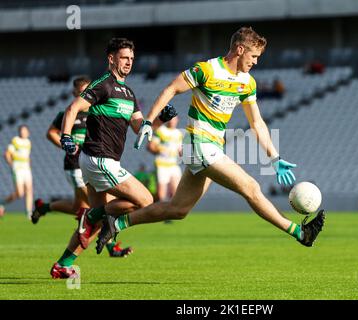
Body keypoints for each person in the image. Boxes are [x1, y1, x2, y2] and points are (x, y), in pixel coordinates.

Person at [95, 26, 325, 254]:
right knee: (251, 188)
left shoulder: (247, 82)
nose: (255, 62)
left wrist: (274, 157)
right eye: (253, 56)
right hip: (199, 144)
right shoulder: (207, 70)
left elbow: (257, 122)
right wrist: (148, 121)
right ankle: (301, 233)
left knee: (178, 210)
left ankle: (115, 224)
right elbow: (171, 88)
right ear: (239, 49)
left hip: (212, 147)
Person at [50, 38, 177, 279]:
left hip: (100, 162)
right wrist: (66, 136)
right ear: (111, 59)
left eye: (131, 58)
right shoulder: (103, 84)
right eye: (124, 58)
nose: (129, 62)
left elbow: (139, 126)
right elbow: (72, 109)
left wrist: (159, 120)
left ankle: (62, 265)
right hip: (99, 159)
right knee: (145, 200)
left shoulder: (128, 92)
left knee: (95, 225)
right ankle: (93, 215)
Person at [31, 76, 133, 259]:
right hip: (74, 165)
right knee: (98, 209)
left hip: (90, 162)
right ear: (75, 94)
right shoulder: (68, 114)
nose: (86, 96)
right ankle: (111, 248)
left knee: (78, 207)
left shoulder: (96, 111)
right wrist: (66, 144)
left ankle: (43, 207)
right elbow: (51, 133)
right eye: (81, 93)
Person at [0, 125, 33, 219]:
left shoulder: (28, 142)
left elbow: (27, 156)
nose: (23, 132)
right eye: (22, 130)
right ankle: (2, 203)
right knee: (20, 193)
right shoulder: (15, 141)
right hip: (18, 169)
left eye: (25, 130)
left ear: (28, 132)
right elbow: (7, 154)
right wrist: (12, 165)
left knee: (29, 189)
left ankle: (29, 212)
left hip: (26, 168)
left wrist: (29, 165)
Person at [147, 115, 183, 203]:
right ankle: (158, 212)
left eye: (174, 119)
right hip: (162, 165)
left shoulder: (179, 134)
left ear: (177, 120)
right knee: (161, 195)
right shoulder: (160, 131)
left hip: (174, 165)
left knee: (176, 193)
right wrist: (160, 149)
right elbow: (150, 146)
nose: (172, 121)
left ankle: (172, 213)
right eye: (170, 119)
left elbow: (180, 150)